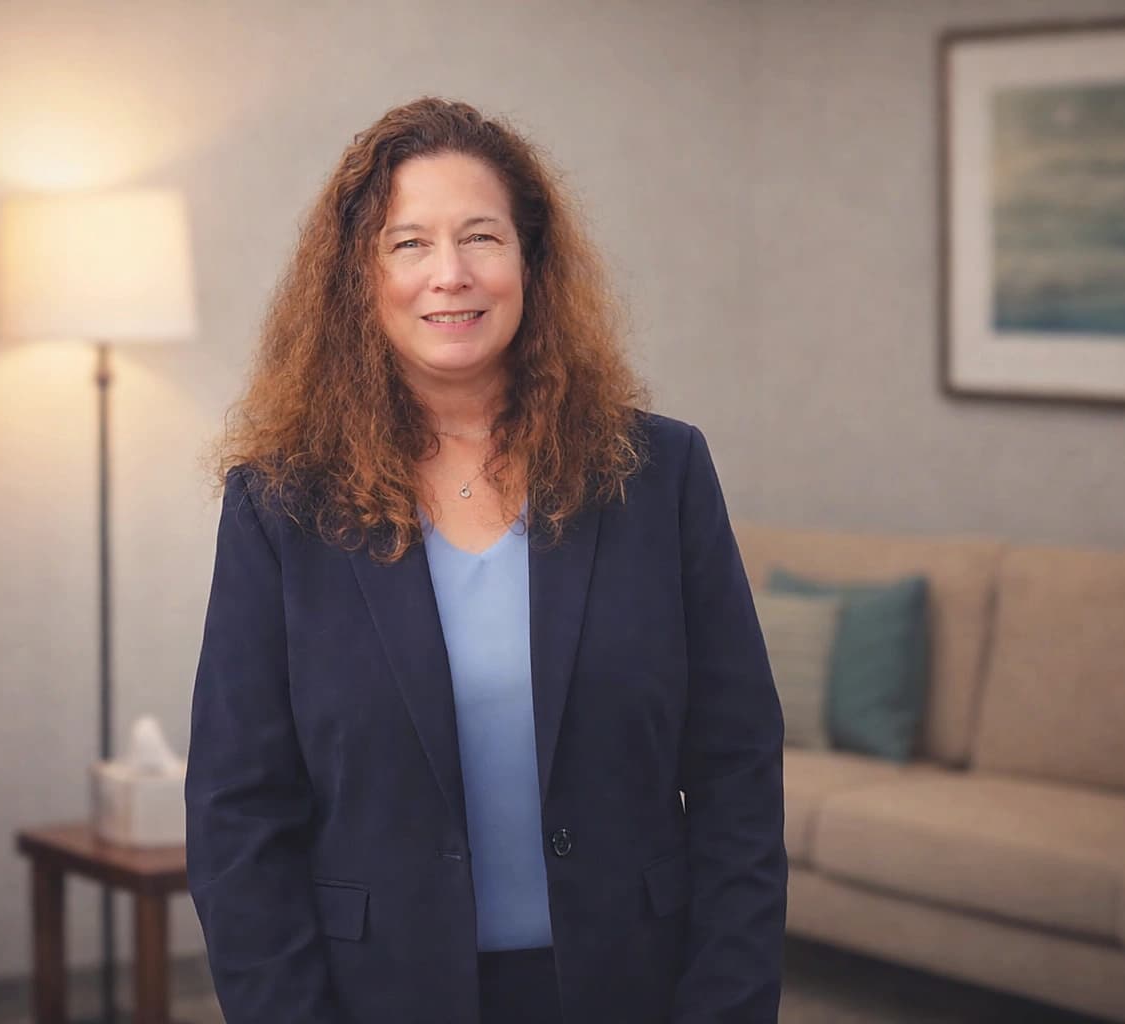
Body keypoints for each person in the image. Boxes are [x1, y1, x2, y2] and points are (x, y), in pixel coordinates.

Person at [186, 97, 786, 1024]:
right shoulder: (280, 504)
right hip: (378, 997)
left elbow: (736, 769)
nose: (451, 275)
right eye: (408, 244)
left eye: (481, 238)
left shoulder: (659, 473)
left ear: (530, 261)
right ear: (360, 277)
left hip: (634, 986)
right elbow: (239, 812)